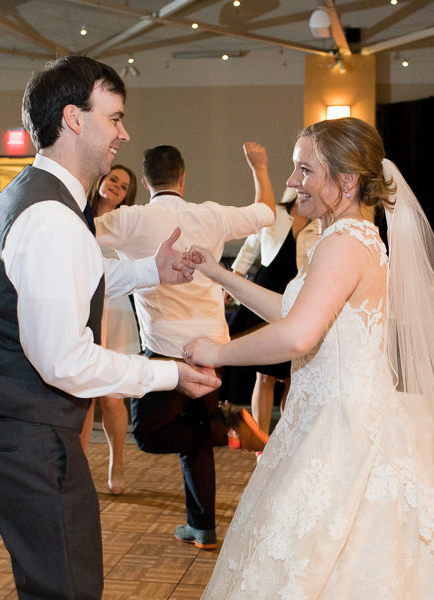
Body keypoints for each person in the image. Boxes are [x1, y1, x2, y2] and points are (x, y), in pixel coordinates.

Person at [183, 117, 434, 598]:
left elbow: (297, 335)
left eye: (304, 170)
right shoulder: (343, 238)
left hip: (345, 431)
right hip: (327, 420)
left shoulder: (346, 244)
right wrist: (217, 274)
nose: (292, 182)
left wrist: (218, 352)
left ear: (346, 181)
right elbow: (291, 309)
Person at [0, 56, 221, 599]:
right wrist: (166, 374)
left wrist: (151, 270)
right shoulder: (53, 218)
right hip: (30, 437)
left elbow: (74, 277)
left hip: (11, 425)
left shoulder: (40, 200)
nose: (124, 134)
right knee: (69, 589)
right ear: (74, 119)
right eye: (115, 118)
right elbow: (65, 361)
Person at [94, 142, 275, 550]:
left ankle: (229, 428)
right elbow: (266, 210)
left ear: (144, 181)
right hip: (214, 347)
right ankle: (203, 527)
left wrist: (102, 197)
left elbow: (81, 230)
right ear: (183, 177)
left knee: (148, 433)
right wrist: (259, 167)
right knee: (194, 439)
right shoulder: (210, 214)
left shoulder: (131, 219)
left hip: (168, 351)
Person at [226, 187, 312, 433]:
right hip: (265, 292)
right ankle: (261, 444)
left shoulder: (320, 220)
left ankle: (285, 442)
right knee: (264, 375)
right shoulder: (275, 212)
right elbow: (251, 246)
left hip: (297, 298)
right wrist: (235, 276)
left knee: (291, 376)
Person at [78, 164, 141, 495]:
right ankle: (82, 465)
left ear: (128, 194)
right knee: (85, 399)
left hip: (115, 315)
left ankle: (117, 461)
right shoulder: (79, 214)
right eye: (113, 179)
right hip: (83, 313)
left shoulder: (127, 225)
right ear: (101, 180)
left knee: (113, 399)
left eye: (124, 185)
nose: (117, 186)